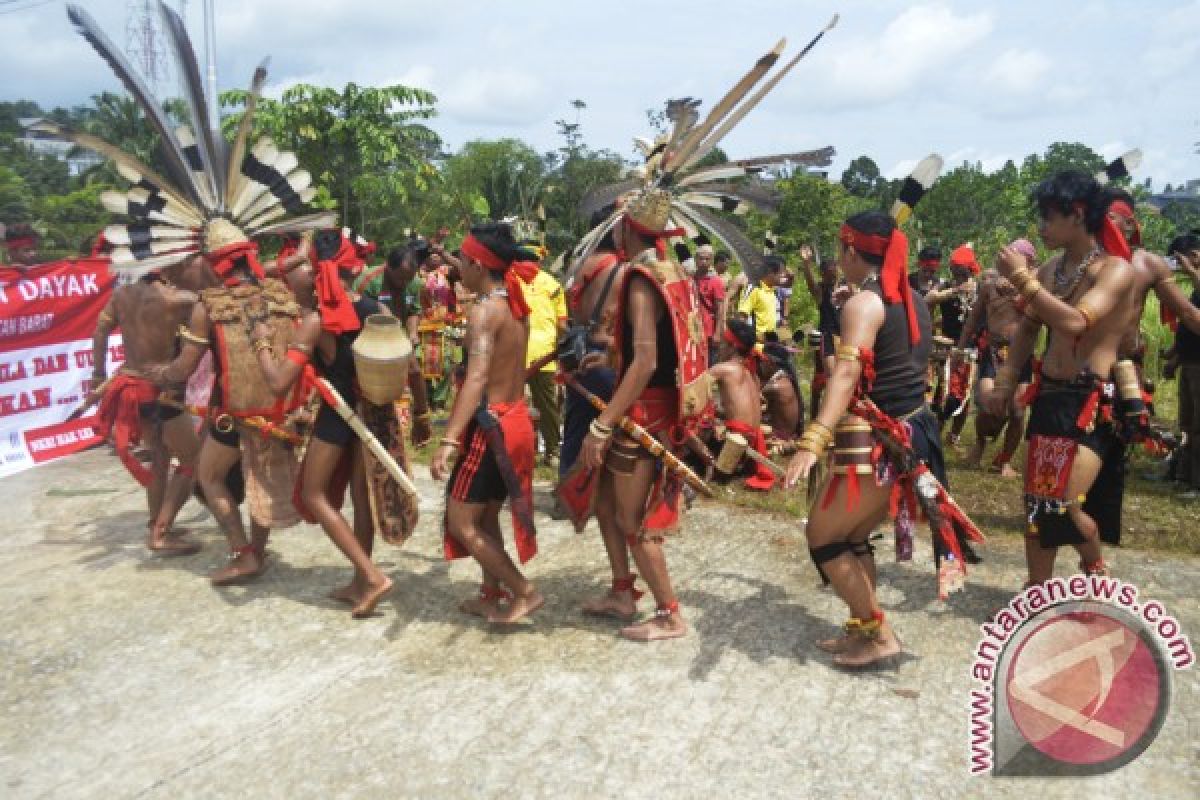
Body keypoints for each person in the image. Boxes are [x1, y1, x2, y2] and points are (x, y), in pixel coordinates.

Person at [784, 210, 983, 668]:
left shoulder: (865, 304)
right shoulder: (910, 297)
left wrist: (813, 439)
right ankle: (860, 627)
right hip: (907, 429)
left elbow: (848, 372)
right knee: (853, 537)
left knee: (824, 537)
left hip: (881, 437)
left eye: (841, 250)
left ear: (851, 251)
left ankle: (879, 635)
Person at [983, 170, 1139, 583]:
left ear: (1078, 215)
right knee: (1038, 505)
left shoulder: (1116, 270)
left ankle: (1094, 569)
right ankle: (1037, 592)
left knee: (1061, 503)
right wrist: (1004, 382)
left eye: (1049, 217)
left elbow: (1073, 323)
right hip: (1049, 399)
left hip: (1091, 403)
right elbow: (1030, 329)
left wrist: (1021, 278)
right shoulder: (1052, 269)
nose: (1041, 227)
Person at [251, 230, 417, 618]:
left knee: (313, 494)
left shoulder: (317, 320)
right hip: (374, 413)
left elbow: (278, 382)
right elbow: (406, 364)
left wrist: (260, 344)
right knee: (362, 501)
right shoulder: (378, 308)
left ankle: (372, 577)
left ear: (316, 270)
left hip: (340, 416)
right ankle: (361, 581)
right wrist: (421, 414)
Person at [572, 190, 714, 640]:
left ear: (623, 228)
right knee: (606, 503)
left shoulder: (639, 276)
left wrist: (601, 424)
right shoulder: (670, 269)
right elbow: (658, 346)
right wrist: (611, 360)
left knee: (635, 522)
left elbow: (649, 360)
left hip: (645, 412)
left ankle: (670, 614)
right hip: (650, 402)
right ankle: (620, 591)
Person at [148, 239, 307, 585]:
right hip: (279, 411)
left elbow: (184, 367)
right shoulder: (279, 293)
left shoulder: (211, 305)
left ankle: (242, 552)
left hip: (233, 415)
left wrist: (160, 374)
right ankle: (258, 551)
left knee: (209, 476)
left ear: (213, 263)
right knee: (259, 480)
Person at [430, 222, 542, 625]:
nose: (457, 265)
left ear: (477, 264)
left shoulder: (485, 311)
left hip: (490, 426)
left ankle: (524, 591)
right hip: (514, 421)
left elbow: (476, 377)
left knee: (462, 523)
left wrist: (449, 440)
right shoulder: (514, 305)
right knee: (487, 515)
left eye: (461, 259)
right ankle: (490, 593)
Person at [89, 255, 213, 555]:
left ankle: (155, 522)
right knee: (192, 460)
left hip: (132, 388)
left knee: (159, 458)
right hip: (161, 390)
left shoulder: (121, 295)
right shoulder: (180, 299)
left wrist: (98, 375)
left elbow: (100, 331)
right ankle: (161, 532)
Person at [961, 239, 1037, 477]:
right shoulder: (990, 285)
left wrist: (1018, 294)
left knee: (1016, 410)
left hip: (1021, 354)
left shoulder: (1036, 285)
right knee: (987, 404)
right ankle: (981, 443)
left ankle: (1004, 461)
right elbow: (973, 319)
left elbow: (1043, 314)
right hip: (993, 352)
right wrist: (959, 348)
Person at [559, 224, 623, 483]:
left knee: (576, 421)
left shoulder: (578, 264)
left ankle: (567, 489)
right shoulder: (620, 268)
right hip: (603, 349)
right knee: (614, 421)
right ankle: (606, 489)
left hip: (577, 347)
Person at [709, 319, 774, 490]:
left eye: (723, 342)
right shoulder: (751, 375)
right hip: (752, 439)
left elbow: (691, 395)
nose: (719, 346)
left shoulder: (724, 369)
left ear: (731, 345)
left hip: (737, 443)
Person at [926, 244, 979, 439]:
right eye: (953, 267)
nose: (955, 271)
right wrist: (955, 291)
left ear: (969, 268)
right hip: (946, 347)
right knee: (944, 392)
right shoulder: (945, 285)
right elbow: (928, 300)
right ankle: (936, 432)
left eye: (960, 267)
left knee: (964, 395)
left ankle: (954, 435)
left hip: (970, 349)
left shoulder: (979, 288)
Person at [521, 248, 568, 466]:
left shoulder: (510, 280)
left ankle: (522, 450)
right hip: (545, 354)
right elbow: (561, 325)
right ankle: (552, 451)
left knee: (516, 405)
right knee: (548, 406)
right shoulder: (554, 285)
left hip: (517, 353)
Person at [1169, 234, 1200, 498]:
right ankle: (1183, 474)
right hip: (1190, 364)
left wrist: (1192, 272)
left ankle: (1196, 484)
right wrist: (1174, 357)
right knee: (1188, 424)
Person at [798, 244, 840, 419]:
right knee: (823, 379)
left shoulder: (845, 289)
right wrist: (806, 264)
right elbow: (810, 284)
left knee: (836, 379)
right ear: (823, 274)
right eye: (829, 273)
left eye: (834, 271)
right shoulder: (822, 291)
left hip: (843, 338)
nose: (833, 275)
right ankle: (817, 417)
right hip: (827, 337)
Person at [760, 340, 804, 440]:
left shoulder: (775, 387)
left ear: (771, 363)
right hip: (789, 434)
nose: (760, 364)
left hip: (780, 437)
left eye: (762, 361)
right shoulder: (786, 378)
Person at [694, 244, 726, 365]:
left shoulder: (716, 281)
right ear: (696, 259)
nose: (703, 262)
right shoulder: (690, 277)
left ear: (711, 260)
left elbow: (720, 309)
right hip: (694, 329)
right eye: (701, 258)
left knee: (708, 366)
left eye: (707, 259)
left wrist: (717, 333)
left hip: (709, 331)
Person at [738, 256, 784, 341]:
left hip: (771, 345)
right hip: (756, 347)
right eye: (781, 273)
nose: (783, 276)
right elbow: (742, 319)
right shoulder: (754, 289)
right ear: (771, 272)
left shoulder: (773, 291)